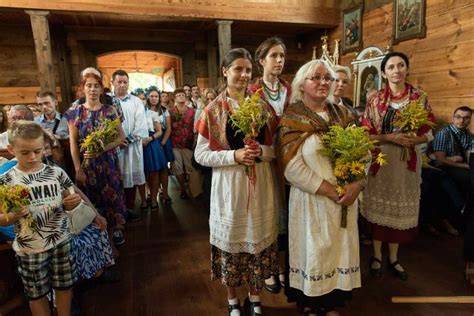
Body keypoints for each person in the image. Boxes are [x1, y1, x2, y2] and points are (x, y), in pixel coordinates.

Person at [195, 48, 280, 316]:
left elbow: (274, 149)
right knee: (231, 243)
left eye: (247, 70)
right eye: (237, 69)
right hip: (229, 190)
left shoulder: (262, 106)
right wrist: (235, 155)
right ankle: (232, 301)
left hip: (259, 188)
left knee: (256, 242)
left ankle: (255, 297)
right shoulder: (213, 109)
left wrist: (260, 153)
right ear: (225, 71)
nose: (243, 75)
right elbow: (200, 155)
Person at [277, 59, 359, 316]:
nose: (324, 82)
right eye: (316, 77)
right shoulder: (292, 119)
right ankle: (312, 303)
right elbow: (291, 167)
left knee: (339, 251)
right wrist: (330, 190)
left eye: (328, 78)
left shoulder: (344, 114)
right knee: (315, 251)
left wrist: (357, 184)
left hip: (346, 199)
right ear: (302, 85)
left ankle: (332, 302)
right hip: (312, 200)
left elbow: (363, 152)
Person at [360, 51, 435, 280]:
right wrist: (389, 138)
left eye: (401, 65)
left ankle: (393, 257)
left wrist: (416, 139)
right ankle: (376, 256)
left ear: (407, 69)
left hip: (406, 163)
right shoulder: (374, 99)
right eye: (391, 67)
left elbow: (429, 131)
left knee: (399, 207)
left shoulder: (419, 97)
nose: (396, 70)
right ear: (383, 73)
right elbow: (365, 134)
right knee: (378, 209)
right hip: (381, 161)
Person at [0, 120, 79, 316]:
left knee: (64, 286)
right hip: (30, 249)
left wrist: (72, 203)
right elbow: (2, 219)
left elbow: (72, 199)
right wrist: (12, 216)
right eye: (25, 153)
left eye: (37, 151)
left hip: (60, 241)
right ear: (11, 149)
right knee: (37, 295)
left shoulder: (56, 173)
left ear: (44, 147)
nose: (33, 157)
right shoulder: (7, 181)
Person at [65, 71, 128, 248]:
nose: (92, 89)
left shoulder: (110, 110)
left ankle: (116, 229)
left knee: (113, 195)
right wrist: (78, 169)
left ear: (102, 89)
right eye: (89, 85)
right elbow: (73, 144)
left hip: (108, 162)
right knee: (91, 198)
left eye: (96, 86)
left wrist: (101, 148)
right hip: (87, 165)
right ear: (83, 89)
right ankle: (98, 232)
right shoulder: (75, 112)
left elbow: (120, 137)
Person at [249, 36, 291, 295]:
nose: (279, 60)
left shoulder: (291, 89)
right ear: (261, 60)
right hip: (264, 161)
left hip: (289, 159)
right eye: (274, 55)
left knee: (288, 213)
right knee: (268, 214)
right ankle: (268, 269)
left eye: (282, 56)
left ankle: (285, 267)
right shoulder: (252, 92)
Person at [111, 70, 148, 220]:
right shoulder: (107, 101)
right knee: (116, 178)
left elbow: (141, 124)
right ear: (112, 82)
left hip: (131, 147)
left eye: (125, 82)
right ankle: (117, 209)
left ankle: (130, 208)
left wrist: (127, 140)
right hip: (113, 147)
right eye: (119, 82)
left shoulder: (135, 101)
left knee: (131, 177)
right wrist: (116, 141)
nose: (122, 85)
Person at [141, 87, 166, 211]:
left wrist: (150, 139)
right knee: (143, 173)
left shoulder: (152, 113)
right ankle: (146, 196)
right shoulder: (137, 113)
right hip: (138, 144)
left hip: (151, 143)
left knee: (154, 173)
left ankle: (154, 200)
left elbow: (160, 132)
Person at [169, 88, 196, 199]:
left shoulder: (192, 111)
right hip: (175, 143)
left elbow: (195, 127)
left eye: (183, 95)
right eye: (178, 95)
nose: (181, 97)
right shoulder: (170, 112)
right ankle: (182, 189)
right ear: (175, 98)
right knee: (178, 167)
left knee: (190, 167)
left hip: (188, 143)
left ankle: (192, 188)